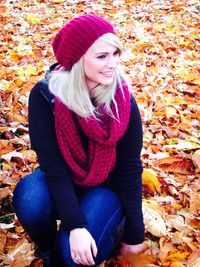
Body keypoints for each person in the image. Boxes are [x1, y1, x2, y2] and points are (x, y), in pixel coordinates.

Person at [13, 14, 145, 267]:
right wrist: (75, 225)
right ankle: (47, 248)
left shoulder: (123, 102)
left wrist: (135, 235)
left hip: (107, 187)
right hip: (65, 179)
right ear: (77, 58)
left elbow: (129, 169)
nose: (113, 64)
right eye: (102, 56)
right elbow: (52, 166)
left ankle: (109, 227)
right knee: (30, 201)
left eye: (116, 54)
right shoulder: (46, 96)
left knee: (74, 257)